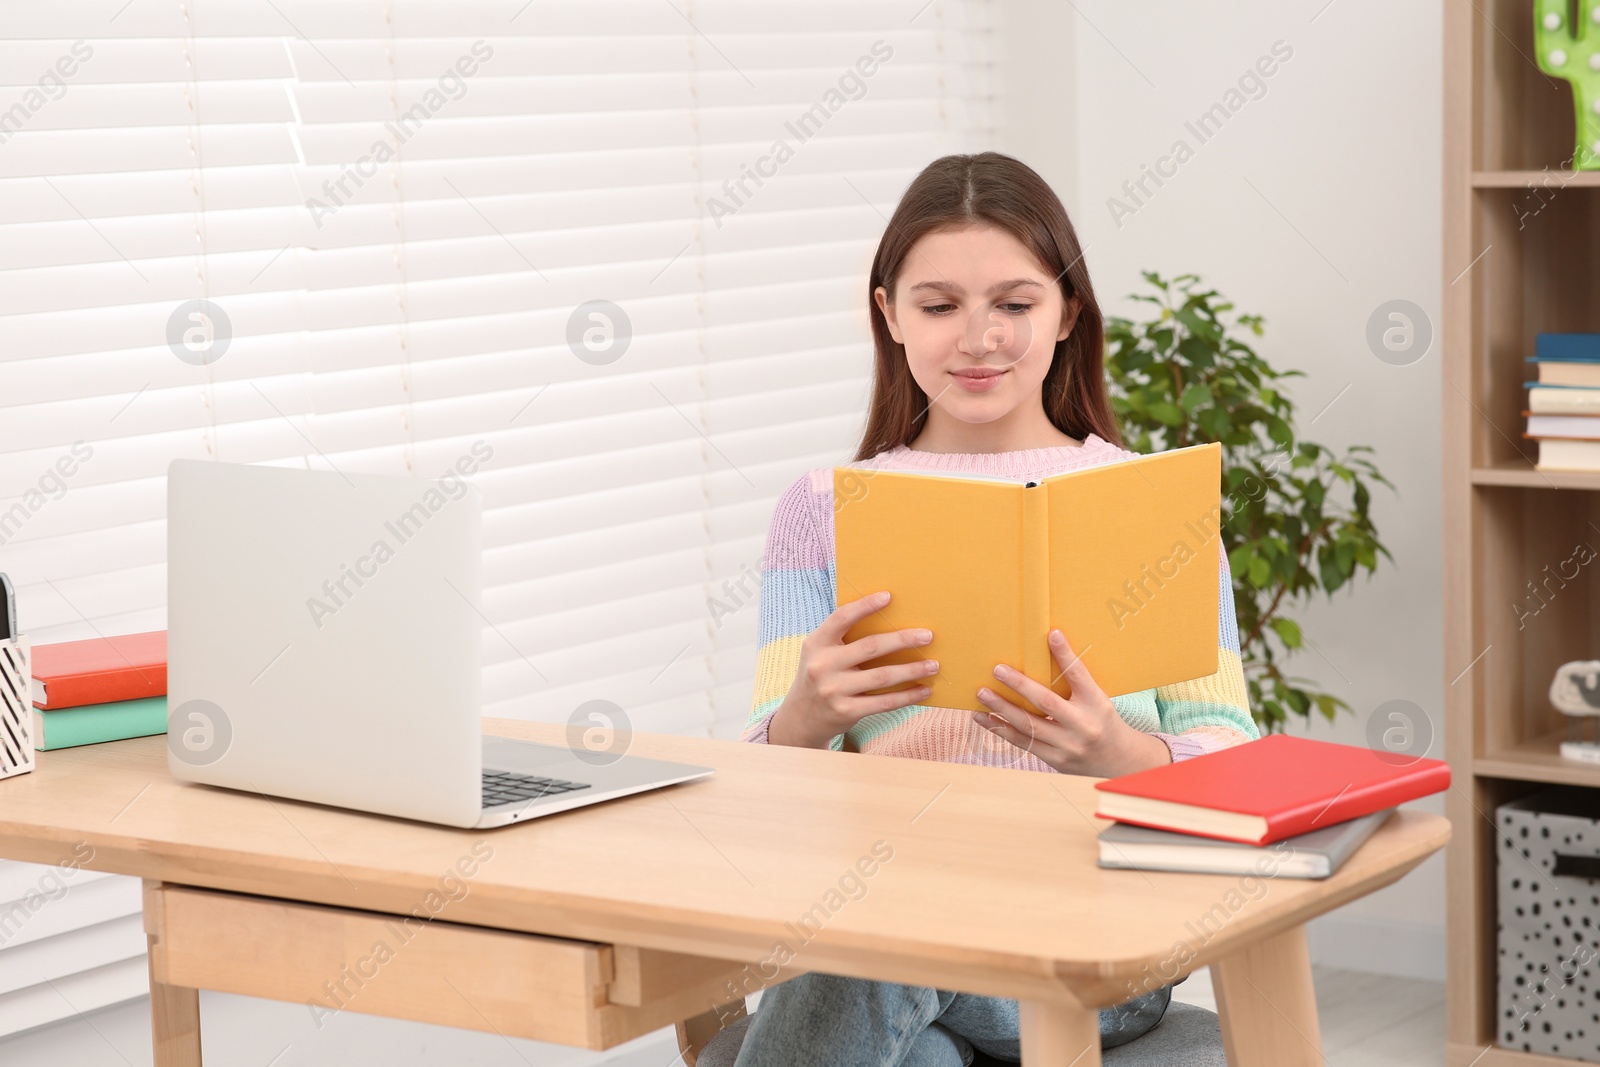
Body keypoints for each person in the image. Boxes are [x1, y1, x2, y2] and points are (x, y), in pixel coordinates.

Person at [733, 152, 1260, 1067]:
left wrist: (1118, 755)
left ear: (1067, 318)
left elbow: (1236, 761)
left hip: (1094, 941)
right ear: (888, 314)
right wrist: (801, 722)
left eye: (1015, 304)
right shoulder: (820, 510)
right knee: (902, 998)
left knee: (867, 950)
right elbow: (757, 795)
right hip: (894, 915)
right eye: (940, 306)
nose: (979, 338)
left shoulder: (1151, 504)